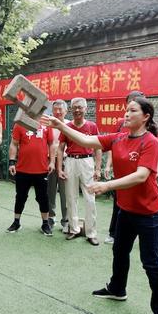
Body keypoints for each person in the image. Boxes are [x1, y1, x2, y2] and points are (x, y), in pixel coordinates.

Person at [44, 97, 158, 314]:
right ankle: (117, 289)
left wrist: (107, 185)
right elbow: (85, 140)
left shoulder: (150, 142)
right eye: (126, 110)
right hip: (126, 210)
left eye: (132, 110)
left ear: (145, 116)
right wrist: (60, 125)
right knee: (119, 251)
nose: (126, 114)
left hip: (149, 213)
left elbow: (141, 176)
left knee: (151, 263)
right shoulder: (118, 138)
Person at [56, 97, 101, 244]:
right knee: (71, 197)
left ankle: (91, 233)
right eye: (74, 107)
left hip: (87, 161)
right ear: (71, 109)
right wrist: (59, 168)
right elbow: (60, 148)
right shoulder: (67, 126)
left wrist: (98, 168)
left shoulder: (92, 126)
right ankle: (73, 229)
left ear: (86, 109)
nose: (77, 110)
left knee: (90, 198)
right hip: (70, 161)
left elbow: (98, 148)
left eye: (80, 107)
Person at [105, 91, 145, 244]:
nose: (130, 111)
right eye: (130, 105)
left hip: (139, 171)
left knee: (137, 204)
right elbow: (112, 145)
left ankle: (139, 234)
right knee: (119, 203)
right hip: (121, 172)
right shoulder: (121, 123)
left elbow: (157, 150)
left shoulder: (149, 127)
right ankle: (113, 233)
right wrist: (108, 165)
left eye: (137, 104)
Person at [7, 122, 55, 236]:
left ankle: (45, 223)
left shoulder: (47, 124)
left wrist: (52, 161)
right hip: (23, 169)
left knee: (43, 198)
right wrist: (12, 162)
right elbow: (14, 144)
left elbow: (51, 144)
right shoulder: (20, 124)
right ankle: (16, 222)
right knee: (20, 197)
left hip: (42, 169)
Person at [47, 99, 69, 231]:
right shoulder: (48, 124)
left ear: (66, 111)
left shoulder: (69, 125)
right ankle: (51, 217)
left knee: (65, 192)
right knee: (50, 191)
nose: (58, 112)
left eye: (61, 109)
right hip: (50, 161)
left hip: (66, 161)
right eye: (55, 109)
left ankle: (66, 220)